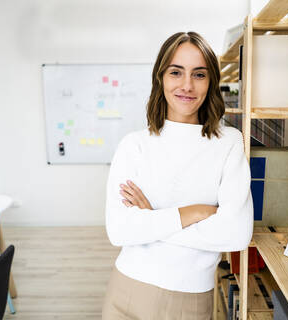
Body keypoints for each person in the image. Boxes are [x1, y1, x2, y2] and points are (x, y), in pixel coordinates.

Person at [102, 31, 253, 320]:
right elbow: (119, 231)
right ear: (161, 77)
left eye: (199, 74)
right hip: (126, 291)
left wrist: (151, 218)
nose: (187, 85)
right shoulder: (134, 145)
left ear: (211, 83)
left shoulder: (229, 142)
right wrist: (193, 212)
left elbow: (236, 234)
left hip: (190, 300)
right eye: (176, 72)